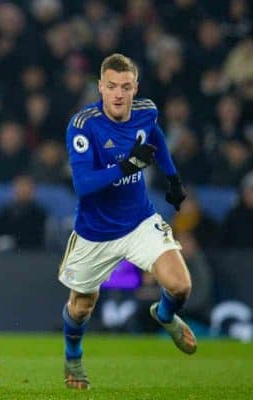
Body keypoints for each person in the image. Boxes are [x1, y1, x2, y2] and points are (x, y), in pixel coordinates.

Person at [59, 53, 196, 390]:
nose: (118, 94)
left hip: (139, 221)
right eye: (111, 87)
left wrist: (173, 178)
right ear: (100, 88)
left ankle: (163, 315)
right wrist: (126, 167)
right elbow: (83, 185)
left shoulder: (146, 111)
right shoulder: (83, 125)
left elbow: (156, 136)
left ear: (135, 88)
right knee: (80, 309)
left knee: (180, 286)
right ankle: (73, 355)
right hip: (95, 232)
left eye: (125, 87)